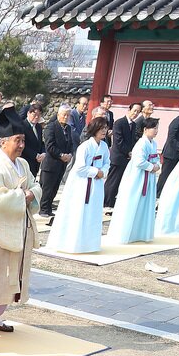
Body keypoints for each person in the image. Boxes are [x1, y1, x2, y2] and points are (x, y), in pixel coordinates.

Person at [0, 110, 41, 332]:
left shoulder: (22, 164)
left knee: (10, 273)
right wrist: (22, 196)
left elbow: (36, 185)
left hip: (18, 226)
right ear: (3, 142)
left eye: (23, 140)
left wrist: (31, 194)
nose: (21, 145)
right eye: (17, 140)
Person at [46, 116, 109, 254]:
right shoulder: (84, 147)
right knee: (78, 213)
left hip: (96, 184)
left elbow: (107, 162)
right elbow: (79, 168)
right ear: (94, 129)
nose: (104, 131)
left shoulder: (104, 146)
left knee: (93, 213)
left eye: (106, 128)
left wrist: (102, 172)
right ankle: (73, 243)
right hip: (82, 185)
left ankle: (89, 244)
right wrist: (95, 171)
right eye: (101, 128)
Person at [105, 117, 160, 245]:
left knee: (144, 204)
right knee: (133, 202)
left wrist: (156, 165)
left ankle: (140, 232)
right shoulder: (141, 144)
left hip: (149, 177)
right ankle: (126, 233)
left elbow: (155, 157)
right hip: (138, 177)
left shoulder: (153, 144)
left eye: (157, 128)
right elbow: (139, 161)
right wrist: (152, 167)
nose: (156, 130)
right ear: (145, 129)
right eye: (154, 128)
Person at [40, 105, 76, 219]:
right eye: (64, 114)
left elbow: (71, 144)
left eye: (68, 115)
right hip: (51, 163)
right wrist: (60, 155)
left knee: (55, 187)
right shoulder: (51, 127)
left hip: (62, 163)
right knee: (47, 188)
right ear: (58, 115)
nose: (66, 117)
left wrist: (70, 154)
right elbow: (50, 145)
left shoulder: (68, 128)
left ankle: (49, 207)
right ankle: (43, 208)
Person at [104, 103, 142, 208]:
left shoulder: (133, 125)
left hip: (127, 158)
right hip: (118, 156)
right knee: (112, 181)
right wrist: (128, 152)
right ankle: (107, 201)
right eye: (134, 110)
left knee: (120, 181)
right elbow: (118, 141)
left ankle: (112, 201)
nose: (135, 113)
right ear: (129, 110)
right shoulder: (119, 123)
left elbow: (132, 141)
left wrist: (133, 151)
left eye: (138, 112)